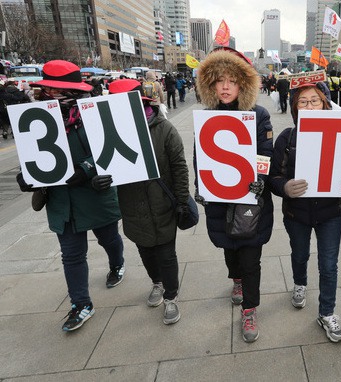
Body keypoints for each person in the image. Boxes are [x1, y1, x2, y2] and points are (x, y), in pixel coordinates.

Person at [17, 60, 125, 332]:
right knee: (72, 255)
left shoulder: (95, 114)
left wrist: (88, 168)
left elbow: (114, 150)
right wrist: (26, 176)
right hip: (61, 200)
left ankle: (117, 264)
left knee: (109, 238)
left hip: (94, 193)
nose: (53, 96)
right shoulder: (35, 118)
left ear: (75, 91)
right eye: (49, 90)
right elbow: (33, 156)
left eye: (59, 91)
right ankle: (81, 304)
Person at [269, 82, 341, 343]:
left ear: (325, 103)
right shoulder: (286, 137)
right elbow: (273, 176)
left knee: (329, 265)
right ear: (294, 107)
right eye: (303, 101)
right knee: (299, 255)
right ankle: (300, 283)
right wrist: (285, 187)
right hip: (296, 214)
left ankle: (327, 312)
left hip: (331, 213)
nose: (309, 106)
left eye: (315, 100)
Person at [196, 47, 274, 343]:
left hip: (250, 201)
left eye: (232, 80)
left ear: (243, 83)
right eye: (219, 80)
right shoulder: (207, 117)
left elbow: (265, 154)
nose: (226, 86)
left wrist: (261, 179)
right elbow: (199, 156)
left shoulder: (259, 115)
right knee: (229, 250)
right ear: (211, 86)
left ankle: (250, 309)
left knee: (251, 257)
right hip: (218, 199)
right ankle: (236, 280)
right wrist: (199, 187)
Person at [100, 78, 190, 325]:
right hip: (131, 205)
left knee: (166, 253)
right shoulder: (109, 132)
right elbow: (102, 166)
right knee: (145, 250)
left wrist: (182, 200)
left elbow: (180, 167)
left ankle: (171, 297)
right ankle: (157, 283)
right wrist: (98, 179)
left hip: (162, 203)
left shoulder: (164, 129)